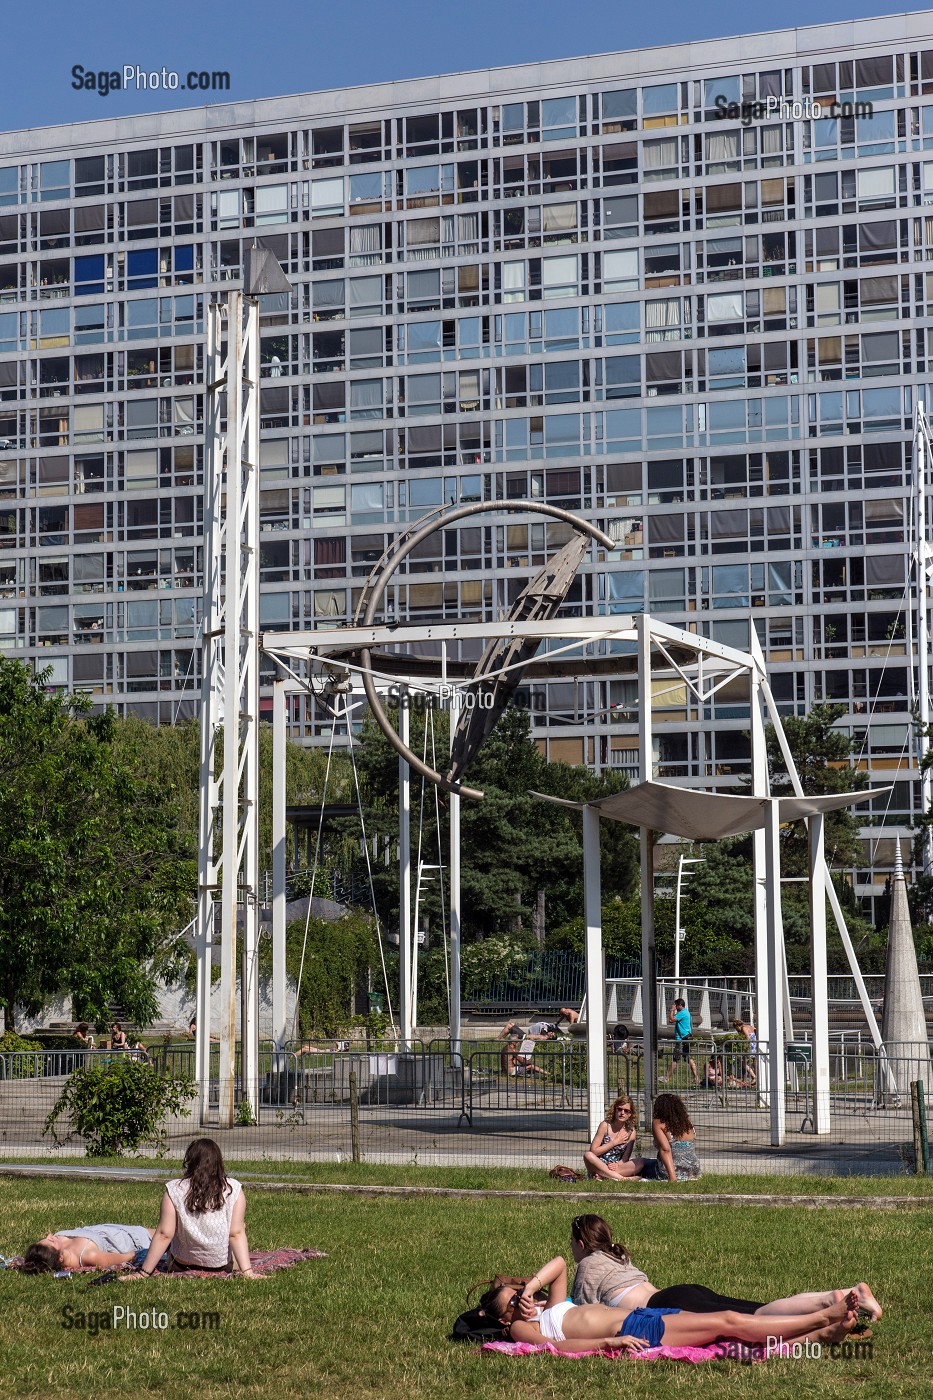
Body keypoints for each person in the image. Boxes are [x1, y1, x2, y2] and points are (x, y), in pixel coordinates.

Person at [480, 1255, 860, 1353]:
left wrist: (530, 1289)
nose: (520, 1303)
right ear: (505, 1319)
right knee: (729, 1321)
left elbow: (560, 1265)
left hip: (647, 1316)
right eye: (513, 1303)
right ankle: (823, 1316)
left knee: (731, 1337)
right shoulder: (518, 1330)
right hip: (632, 1330)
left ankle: (822, 1333)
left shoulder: (550, 1307)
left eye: (517, 1296)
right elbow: (557, 1347)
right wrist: (607, 1344)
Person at [568, 1214, 883, 1321]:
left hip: (668, 1305)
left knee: (759, 1317)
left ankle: (830, 1302)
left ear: (581, 1244)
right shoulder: (615, 1255)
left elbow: (574, 1314)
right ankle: (843, 1294)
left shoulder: (588, 1266)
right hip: (680, 1292)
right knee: (760, 1309)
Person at [122, 1137, 261, 1280]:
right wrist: (248, 1272)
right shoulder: (233, 1189)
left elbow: (164, 1234)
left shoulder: (174, 1189)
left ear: (190, 1161)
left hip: (180, 1264)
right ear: (219, 1161)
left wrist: (144, 1272)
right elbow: (236, 1234)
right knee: (240, 1226)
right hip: (220, 1265)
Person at [20, 1224, 155, 1274]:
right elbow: (131, 1256)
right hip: (132, 1238)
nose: (51, 1235)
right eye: (51, 1241)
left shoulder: (53, 1251)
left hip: (114, 1229)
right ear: (60, 1258)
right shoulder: (88, 1256)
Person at [583, 1095, 645, 1181]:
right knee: (588, 1155)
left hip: (616, 1167)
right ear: (615, 1110)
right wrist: (614, 1142)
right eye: (619, 1109)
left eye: (626, 1111)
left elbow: (625, 1158)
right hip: (598, 1163)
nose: (622, 1113)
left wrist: (618, 1164)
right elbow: (594, 1151)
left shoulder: (631, 1132)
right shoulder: (605, 1125)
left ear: (630, 1114)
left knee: (640, 1162)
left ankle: (603, 1175)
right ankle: (622, 1179)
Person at [651, 1092, 701, 1180]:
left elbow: (665, 1150)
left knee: (640, 1163)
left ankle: (620, 1175)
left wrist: (672, 1177)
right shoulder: (688, 1124)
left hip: (671, 1171)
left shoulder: (658, 1123)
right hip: (693, 1172)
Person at [661, 997, 698, 1085]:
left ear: (680, 1005)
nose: (675, 1008)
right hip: (686, 1037)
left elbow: (671, 1020)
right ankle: (696, 1078)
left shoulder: (682, 1013)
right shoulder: (686, 1012)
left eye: (676, 1006)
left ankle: (666, 1078)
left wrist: (672, 1010)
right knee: (688, 1058)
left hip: (682, 1039)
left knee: (675, 1059)